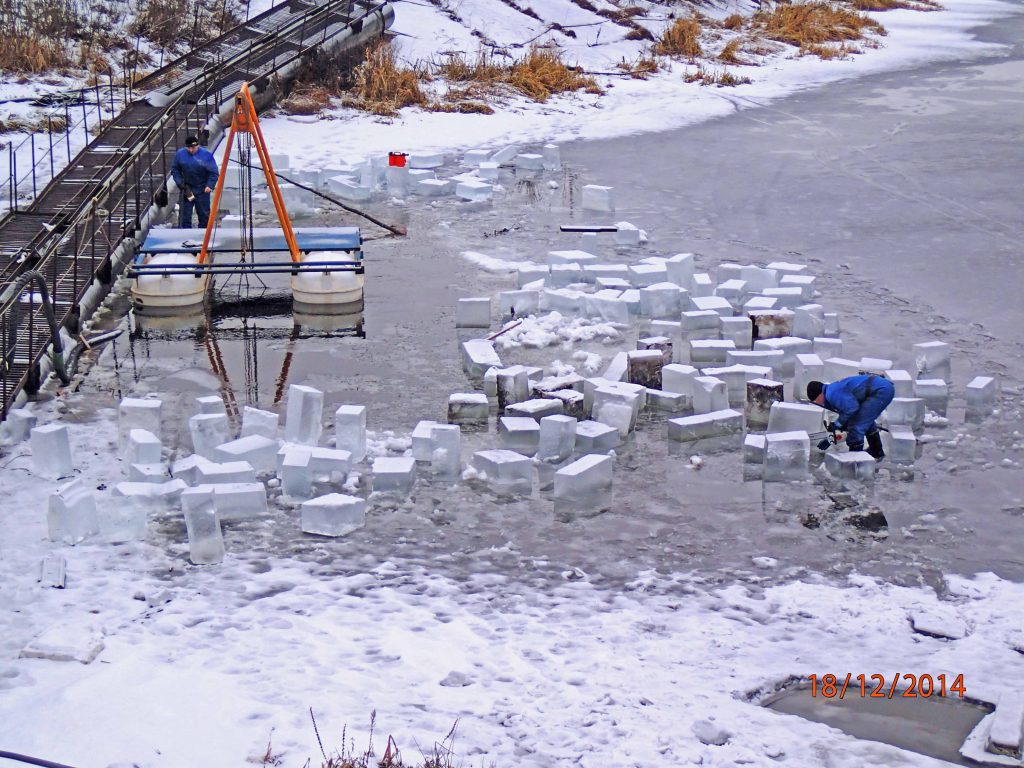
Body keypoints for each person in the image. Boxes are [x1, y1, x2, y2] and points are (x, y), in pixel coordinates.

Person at [807, 374, 895, 460]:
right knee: (864, 419)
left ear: (819, 394)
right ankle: (876, 450)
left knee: (856, 426)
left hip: (880, 391)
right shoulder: (832, 389)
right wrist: (834, 433)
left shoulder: (831, 393)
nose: (818, 403)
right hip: (881, 387)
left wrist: (837, 424)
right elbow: (851, 411)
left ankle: (855, 460)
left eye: (816, 400)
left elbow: (852, 408)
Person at [170, 135, 219, 229]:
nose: (191, 150)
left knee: (204, 215)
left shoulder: (206, 155)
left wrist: (210, 185)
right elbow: (175, 170)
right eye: (189, 148)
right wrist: (180, 184)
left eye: (193, 148)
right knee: (185, 215)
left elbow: (214, 172)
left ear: (198, 146)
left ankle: (204, 234)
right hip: (187, 188)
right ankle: (185, 233)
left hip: (202, 189)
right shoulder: (180, 154)